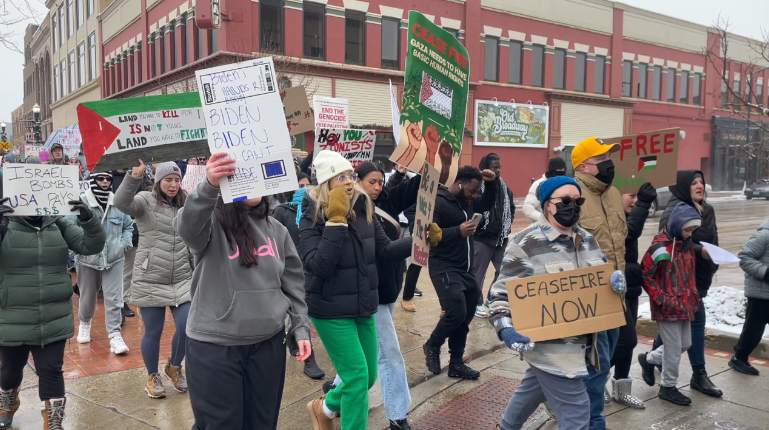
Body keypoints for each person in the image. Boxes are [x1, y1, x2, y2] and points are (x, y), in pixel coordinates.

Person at [174, 152, 311, 430]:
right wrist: (209, 186)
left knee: (262, 424)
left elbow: (293, 284)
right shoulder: (210, 223)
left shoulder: (278, 230)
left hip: (267, 346)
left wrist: (300, 327)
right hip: (215, 347)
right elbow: (187, 228)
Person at [489, 176, 625, 430]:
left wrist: (616, 284)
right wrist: (504, 327)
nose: (571, 206)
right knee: (577, 411)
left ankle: (507, 427)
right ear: (547, 205)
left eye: (577, 201)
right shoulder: (524, 244)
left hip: (588, 347)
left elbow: (603, 281)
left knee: (533, 388)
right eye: (564, 201)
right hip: (553, 352)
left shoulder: (588, 240)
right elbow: (500, 295)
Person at [301, 151, 411, 430]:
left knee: (369, 375)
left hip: (364, 305)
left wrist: (420, 241)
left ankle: (323, 408)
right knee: (357, 377)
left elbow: (386, 249)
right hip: (331, 310)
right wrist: (336, 220)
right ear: (327, 182)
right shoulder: (311, 211)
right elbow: (318, 264)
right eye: (341, 177)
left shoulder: (364, 207)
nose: (349, 182)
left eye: (350, 175)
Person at [0, 196, 105, 429]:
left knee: (51, 370)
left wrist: (89, 219)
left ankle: (54, 421)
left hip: (54, 314)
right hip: (12, 314)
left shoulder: (58, 223)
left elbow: (92, 246)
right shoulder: (5, 224)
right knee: (9, 370)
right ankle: (7, 400)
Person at [114, 161, 193, 399]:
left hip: (181, 275)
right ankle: (152, 375)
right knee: (154, 331)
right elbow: (121, 202)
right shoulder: (145, 200)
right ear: (158, 180)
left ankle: (174, 366)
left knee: (187, 326)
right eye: (168, 179)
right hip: (150, 276)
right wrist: (133, 177)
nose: (173, 185)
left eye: (177, 180)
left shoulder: (187, 201)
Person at [354, 161, 420, 430]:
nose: (378, 187)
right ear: (356, 180)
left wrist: (431, 163)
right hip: (369, 295)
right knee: (388, 353)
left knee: (366, 353)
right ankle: (397, 415)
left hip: (388, 289)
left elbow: (417, 187)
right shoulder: (352, 210)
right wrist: (417, 240)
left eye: (381, 182)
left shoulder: (387, 203)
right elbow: (384, 250)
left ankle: (332, 398)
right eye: (372, 182)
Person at [423, 165, 497, 380]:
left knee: (465, 316)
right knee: (455, 311)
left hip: (465, 268)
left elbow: (488, 203)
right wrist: (458, 231)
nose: (474, 195)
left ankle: (456, 363)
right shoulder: (439, 200)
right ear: (460, 183)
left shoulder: (468, 201)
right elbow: (428, 232)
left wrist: (491, 183)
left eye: (477, 191)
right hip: (443, 266)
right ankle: (432, 345)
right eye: (472, 190)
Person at [572, 136, 626, 428]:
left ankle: (574, 406)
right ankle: (592, 421)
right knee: (597, 362)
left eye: (608, 158)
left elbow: (620, 241)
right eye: (601, 160)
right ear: (583, 166)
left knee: (604, 359)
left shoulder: (614, 194)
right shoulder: (571, 194)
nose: (608, 164)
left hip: (615, 293)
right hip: (588, 296)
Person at [655, 170, 722, 398]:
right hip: (680, 282)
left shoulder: (707, 209)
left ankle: (652, 359)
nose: (699, 185)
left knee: (672, 332)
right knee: (693, 326)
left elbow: (712, 238)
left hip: (699, 278)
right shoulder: (675, 209)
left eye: (701, 181)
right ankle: (698, 375)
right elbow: (668, 243)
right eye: (693, 182)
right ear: (684, 186)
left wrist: (715, 259)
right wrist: (701, 252)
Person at [638, 203, 710, 406]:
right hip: (667, 307)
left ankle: (650, 359)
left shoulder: (686, 247)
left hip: (686, 304)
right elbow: (646, 274)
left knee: (685, 343)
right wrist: (661, 298)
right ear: (678, 225)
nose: (690, 234)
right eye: (687, 230)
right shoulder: (660, 247)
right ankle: (668, 387)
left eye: (693, 230)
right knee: (672, 348)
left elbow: (688, 275)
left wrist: (693, 296)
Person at [72, 172, 134, 355]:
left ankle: (115, 334)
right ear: (92, 180)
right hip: (87, 259)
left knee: (115, 298)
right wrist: (79, 248)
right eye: (100, 178)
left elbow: (128, 226)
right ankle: (85, 323)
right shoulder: (81, 201)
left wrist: (124, 243)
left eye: (108, 178)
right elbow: (71, 227)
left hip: (114, 257)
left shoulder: (118, 202)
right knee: (87, 296)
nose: (105, 182)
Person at [271, 175, 325, 380]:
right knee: (296, 311)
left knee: (304, 313)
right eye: (300, 186)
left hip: (311, 270)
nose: (305, 189)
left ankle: (300, 344)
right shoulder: (283, 211)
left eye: (308, 186)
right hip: (288, 272)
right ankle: (305, 354)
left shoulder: (318, 210)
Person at [609, 183, 656, 408]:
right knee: (626, 340)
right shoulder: (611, 217)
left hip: (630, 283)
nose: (636, 200)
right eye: (632, 195)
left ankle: (621, 390)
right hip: (614, 286)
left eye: (639, 197)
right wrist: (645, 203)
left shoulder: (626, 214)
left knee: (626, 343)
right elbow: (629, 233)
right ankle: (590, 381)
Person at [473, 153, 514, 318]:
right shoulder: (476, 186)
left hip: (501, 238)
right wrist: (481, 226)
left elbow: (511, 208)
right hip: (482, 239)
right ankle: (475, 303)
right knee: (478, 274)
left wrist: (507, 227)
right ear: (485, 168)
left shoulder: (505, 188)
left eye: (499, 167)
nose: (497, 170)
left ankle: (491, 298)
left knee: (505, 270)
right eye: (493, 167)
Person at [730, 218, 769, 375]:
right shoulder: (764, 235)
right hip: (760, 293)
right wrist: (765, 272)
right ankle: (739, 358)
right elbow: (744, 257)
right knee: (754, 329)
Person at [522, 157, 567, 223]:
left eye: (564, 169)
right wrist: (546, 220)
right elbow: (527, 208)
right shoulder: (539, 185)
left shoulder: (566, 184)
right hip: (543, 229)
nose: (562, 171)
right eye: (560, 169)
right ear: (552, 169)